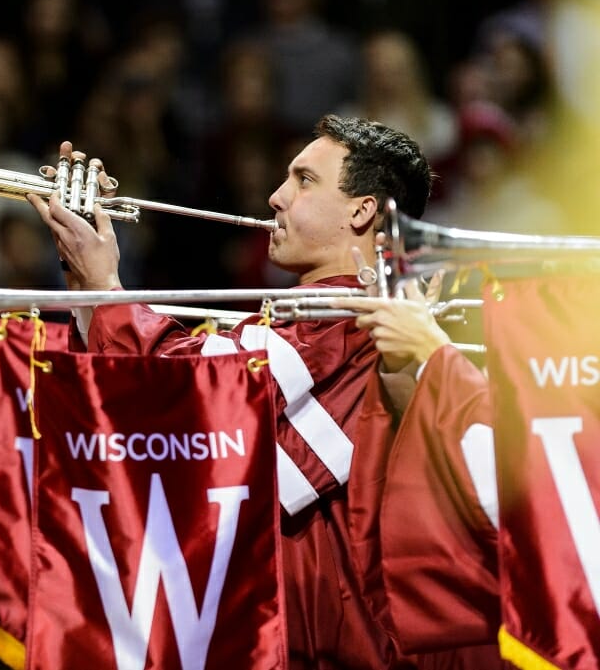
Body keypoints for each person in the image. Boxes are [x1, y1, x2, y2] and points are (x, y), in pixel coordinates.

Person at [28, 115, 505, 667]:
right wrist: (93, 284)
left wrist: (106, 287)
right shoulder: (322, 321)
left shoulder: (344, 320)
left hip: (339, 644)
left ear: (362, 211)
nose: (276, 197)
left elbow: (197, 404)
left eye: (304, 180)